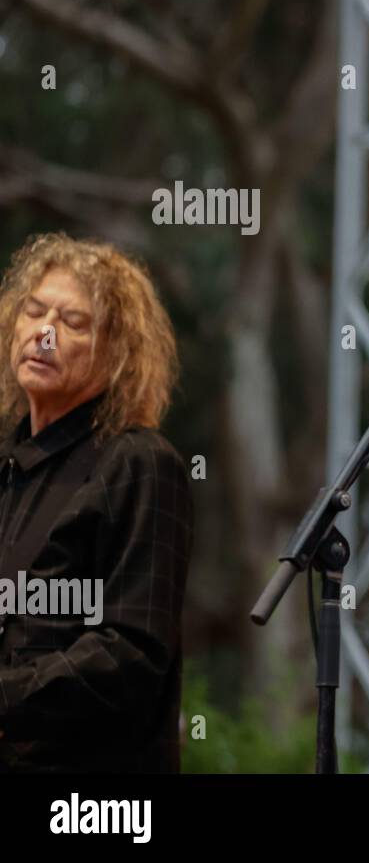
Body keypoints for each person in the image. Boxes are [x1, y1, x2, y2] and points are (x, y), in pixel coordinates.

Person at [0, 233, 193, 772]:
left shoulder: (140, 464)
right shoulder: (9, 466)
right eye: (33, 311)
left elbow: (128, 654)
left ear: (117, 353)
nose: (43, 332)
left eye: (72, 322)